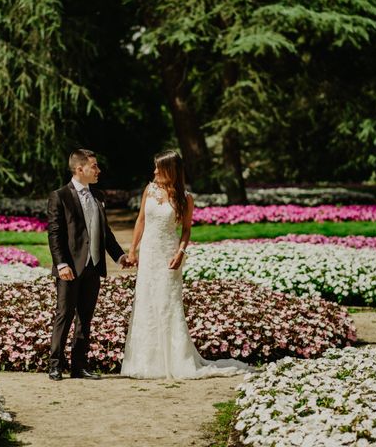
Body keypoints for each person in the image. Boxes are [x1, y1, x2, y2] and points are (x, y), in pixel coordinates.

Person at [121, 150, 253, 379]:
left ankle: (174, 360)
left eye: (158, 168)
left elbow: (187, 229)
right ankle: (146, 362)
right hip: (149, 253)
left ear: (170, 170)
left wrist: (181, 252)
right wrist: (132, 250)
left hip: (169, 256)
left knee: (167, 303)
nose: (154, 172)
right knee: (146, 301)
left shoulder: (185, 198)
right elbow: (141, 221)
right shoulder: (149, 190)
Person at [47, 149, 131, 381]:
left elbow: (105, 233)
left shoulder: (98, 196)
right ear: (79, 169)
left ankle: (79, 366)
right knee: (64, 315)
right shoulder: (60, 196)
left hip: (93, 266)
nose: (98, 170)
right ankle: (55, 365)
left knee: (85, 317)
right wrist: (61, 264)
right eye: (94, 166)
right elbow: (54, 234)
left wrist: (119, 256)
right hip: (70, 268)